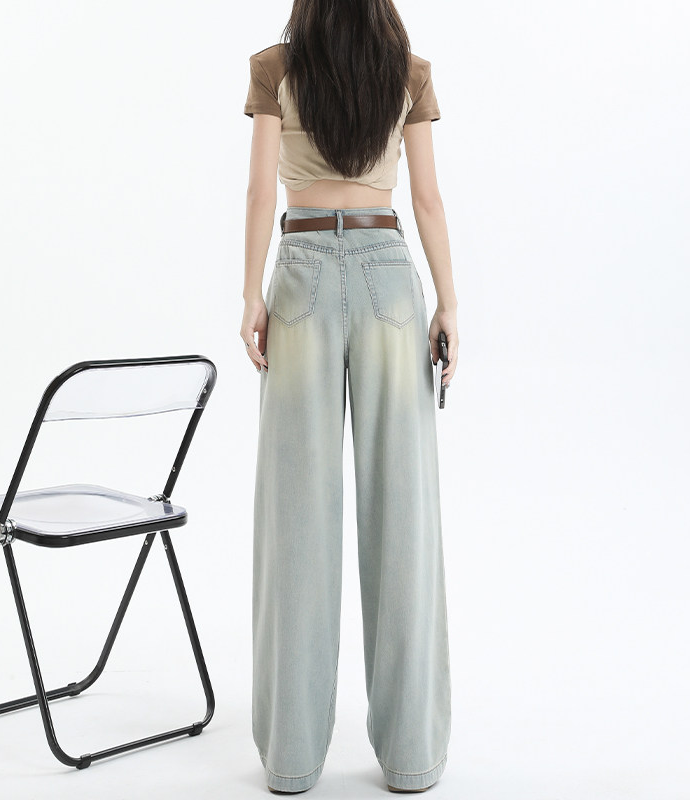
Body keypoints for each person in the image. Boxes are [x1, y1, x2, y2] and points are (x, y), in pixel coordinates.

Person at [240, 0, 458, 794]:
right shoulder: (408, 71)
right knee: (403, 510)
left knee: (295, 515)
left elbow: (260, 193)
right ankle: (411, 756)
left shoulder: (275, 67)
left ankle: (292, 760)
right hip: (389, 276)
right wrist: (449, 304)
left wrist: (250, 297)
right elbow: (425, 199)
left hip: (300, 270)